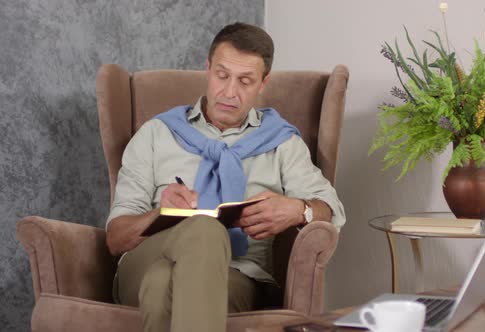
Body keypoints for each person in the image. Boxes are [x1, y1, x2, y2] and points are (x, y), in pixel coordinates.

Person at [104, 22, 345, 332]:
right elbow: (115, 238)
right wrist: (161, 215)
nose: (230, 92)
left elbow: (331, 209)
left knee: (161, 284)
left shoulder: (282, 142)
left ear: (263, 83)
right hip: (144, 261)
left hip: (238, 276)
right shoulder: (156, 134)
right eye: (222, 75)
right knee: (202, 230)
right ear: (207, 69)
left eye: (245, 81)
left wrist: (299, 209)